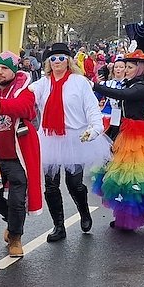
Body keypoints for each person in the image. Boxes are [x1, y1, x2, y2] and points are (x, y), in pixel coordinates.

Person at [90, 26, 144, 231]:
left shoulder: (141, 87)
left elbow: (122, 96)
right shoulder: (130, 84)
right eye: (126, 66)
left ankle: (133, 218)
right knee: (122, 179)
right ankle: (125, 216)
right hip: (124, 131)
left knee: (134, 179)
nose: (126, 70)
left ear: (140, 68)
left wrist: (96, 86)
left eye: (130, 67)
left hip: (136, 137)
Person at [30, 41, 110, 243]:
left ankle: (84, 212)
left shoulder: (79, 82)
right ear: (49, 62)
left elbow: (92, 108)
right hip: (49, 138)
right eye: (53, 58)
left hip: (75, 137)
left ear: (68, 61)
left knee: (74, 183)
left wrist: (95, 128)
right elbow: (26, 98)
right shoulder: (42, 83)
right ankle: (58, 226)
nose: (57, 61)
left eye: (61, 58)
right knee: (51, 186)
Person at [0, 51, 42, 258]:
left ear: (13, 71)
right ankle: (12, 222)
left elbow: (23, 107)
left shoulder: (25, 89)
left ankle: (15, 238)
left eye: (4, 68)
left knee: (17, 200)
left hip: (16, 157)